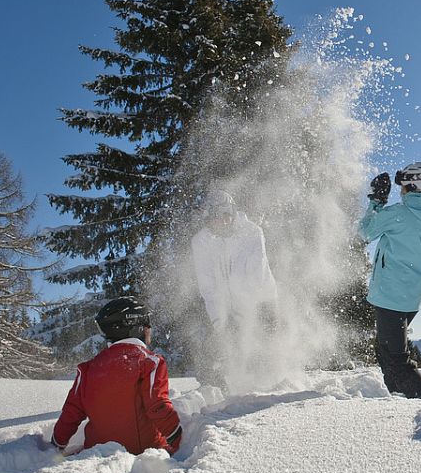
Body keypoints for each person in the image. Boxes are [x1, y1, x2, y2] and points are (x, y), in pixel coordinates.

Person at [358, 161, 421, 399]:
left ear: (413, 185)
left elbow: (364, 232)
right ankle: (402, 399)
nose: (401, 191)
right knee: (386, 352)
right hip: (413, 299)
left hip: (390, 296)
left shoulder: (399, 214)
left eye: (403, 186)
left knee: (396, 360)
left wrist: (377, 200)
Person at [51, 297, 182, 455]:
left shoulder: (87, 369)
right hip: (142, 458)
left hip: (94, 455)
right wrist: (181, 439)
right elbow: (157, 406)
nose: (149, 329)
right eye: (147, 324)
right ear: (135, 327)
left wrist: (55, 446)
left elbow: (71, 413)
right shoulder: (150, 362)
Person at [190, 190, 279, 390]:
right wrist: (220, 324)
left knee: (259, 347)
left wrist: (243, 321)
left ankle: (266, 391)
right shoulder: (201, 242)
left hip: (261, 301)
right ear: (208, 217)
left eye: (227, 213)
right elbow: (208, 287)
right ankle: (216, 392)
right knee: (214, 348)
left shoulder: (252, 233)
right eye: (217, 215)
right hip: (224, 306)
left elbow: (254, 277)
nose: (223, 219)